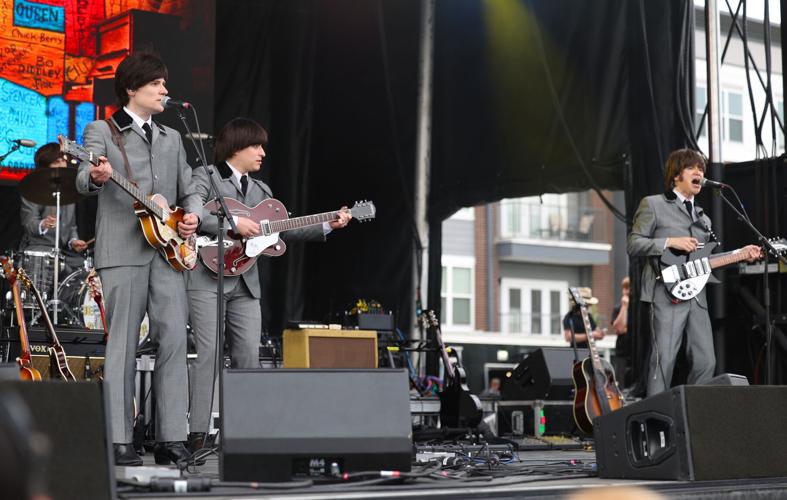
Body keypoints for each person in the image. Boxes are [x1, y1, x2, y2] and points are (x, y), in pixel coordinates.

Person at [185, 117, 351, 455]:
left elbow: (284, 230)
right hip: (206, 276)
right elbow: (194, 213)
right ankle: (197, 435)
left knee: (248, 357)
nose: (262, 152)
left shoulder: (263, 192)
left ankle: (245, 434)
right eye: (256, 146)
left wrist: (328, 225)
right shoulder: (206, 176)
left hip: (246, 283)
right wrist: (233, 225)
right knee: (209, 355)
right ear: (236, 147)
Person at [75, 52, 201, 466]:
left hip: (168, 253)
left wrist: (192, 217)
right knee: (123, 344)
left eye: (164, 84)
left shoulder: (172, 138)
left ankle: (171, 438)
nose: (165, 90)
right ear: (132, 88)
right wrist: (94, 175)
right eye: (156, 84)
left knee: (174, 341)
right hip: (123, 250)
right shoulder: (102, 130)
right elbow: (83, 176)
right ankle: (118, 438)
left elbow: (189, 190)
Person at [627, 148, 760, 396]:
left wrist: (741, 252)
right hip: (664, 293)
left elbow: (704, 261)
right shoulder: (653, 204)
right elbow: (633, 244)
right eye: (692, 168)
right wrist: (669, 242)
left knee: (706, 361)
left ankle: (691, 415)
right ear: (676, 175)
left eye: (701, 169)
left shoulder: (703, 219)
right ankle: (656, 420)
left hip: (696, 296)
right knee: (663, 360)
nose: (699, 172)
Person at [19, 143, 88, 274]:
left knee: (86, 269)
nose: (62, 165)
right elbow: (29, 223)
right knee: (55, 266)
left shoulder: (69, 192)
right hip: (39, 249)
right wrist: (43, 224)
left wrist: (73, 241)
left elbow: (71, 226)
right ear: (46, 167)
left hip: (63, 252)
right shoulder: (32, 190)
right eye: (57, 161)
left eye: (64, 160)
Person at [611, 276, 630, 385]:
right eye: (624, 288)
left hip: (636, 352)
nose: (626, 291)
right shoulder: (618, 308)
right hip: (622, 351)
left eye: (628, 288)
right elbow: (619, 328)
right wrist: (624, 307)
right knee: (621, 380)